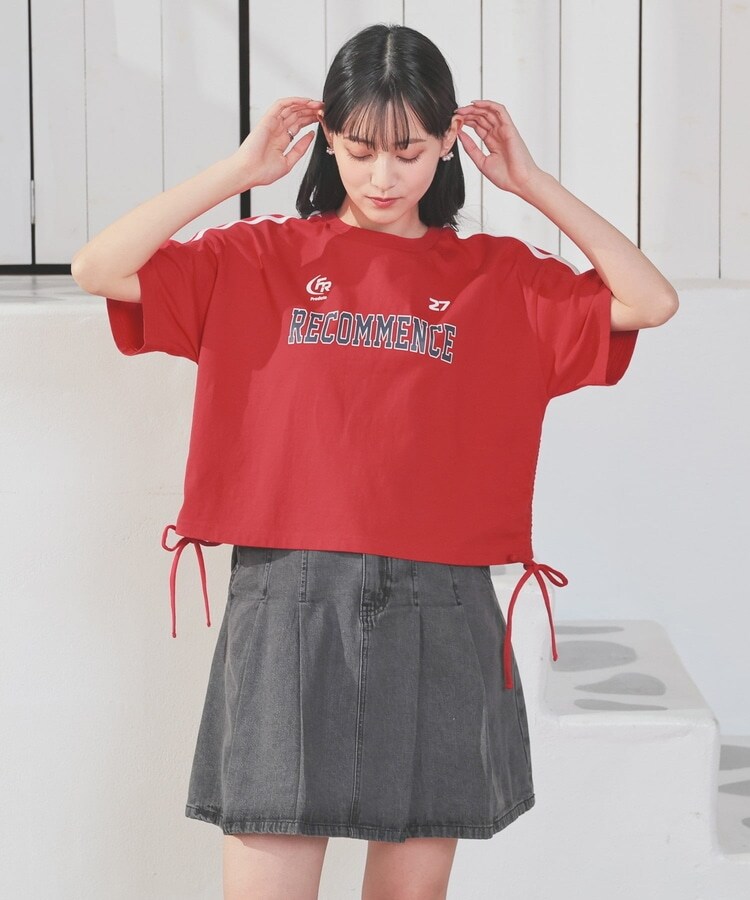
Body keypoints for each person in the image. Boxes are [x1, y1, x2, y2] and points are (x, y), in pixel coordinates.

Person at [71, 22, 678, 900]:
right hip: (287, 596)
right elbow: (99, 267)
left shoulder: (499, 277)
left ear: (448, 143)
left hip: (442, 602)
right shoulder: (259, 258)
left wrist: (532, 183)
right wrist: (237, 173)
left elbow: (649, 301)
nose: (383, 176)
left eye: (409, 151)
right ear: (327, 138)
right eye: (359, 150)